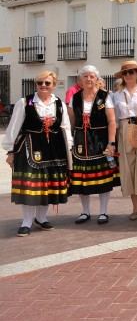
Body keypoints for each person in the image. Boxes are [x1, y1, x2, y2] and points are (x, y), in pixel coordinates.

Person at [3, 71, 72, 236]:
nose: (43, 86)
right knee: (30, 186)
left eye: (47, 83)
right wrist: (10, 151)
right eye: (40, 82)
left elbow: (65, 127)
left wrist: (69, 148)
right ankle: (26, 221)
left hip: (54, 150)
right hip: (29, 148)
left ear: (53, 85)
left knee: (46, 185)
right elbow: (14, 127)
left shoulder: (59, 104)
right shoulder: (25, 102)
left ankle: (41, 218)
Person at [68, 65, 120, 225]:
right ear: (80, 80)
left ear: (97, 79)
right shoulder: (74, 98)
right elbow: (71, 122)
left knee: (103, 178)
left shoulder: (105, 96)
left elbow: (112, 122)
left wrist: (111, 143)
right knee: (82, 179)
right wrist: (69, 142)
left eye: (92, 77)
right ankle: (85, 211)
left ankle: (103, 211)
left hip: (101, 142)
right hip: (80, 145)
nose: (89, 79)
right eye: (86, 77)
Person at [113, 60, 137, 220]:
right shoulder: (116, 95)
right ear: (122, 76)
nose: (128, 75)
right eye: (125, 73)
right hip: (125, 128)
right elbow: (113, 118)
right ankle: (135, 207)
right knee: (129, 168)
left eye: (132, 72)